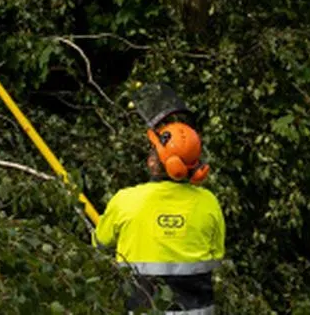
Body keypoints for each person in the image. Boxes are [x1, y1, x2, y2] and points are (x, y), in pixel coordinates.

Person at [96, 122, 226, 313]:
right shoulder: (208, 202)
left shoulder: (125, 200)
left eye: (153, 151)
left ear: (153, 162)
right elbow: (216, 256)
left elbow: (100, 243)